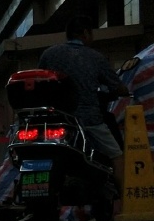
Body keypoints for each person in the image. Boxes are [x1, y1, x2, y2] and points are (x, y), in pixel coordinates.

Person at [39, 15, 130, 192]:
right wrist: (121, 91)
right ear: (86, 34)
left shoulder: (49, 54)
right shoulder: (96, 57)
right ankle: (126, 199)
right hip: (88, 119)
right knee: (117, 155)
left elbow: (42, 80)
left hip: (55, 119)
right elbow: (118, 88)